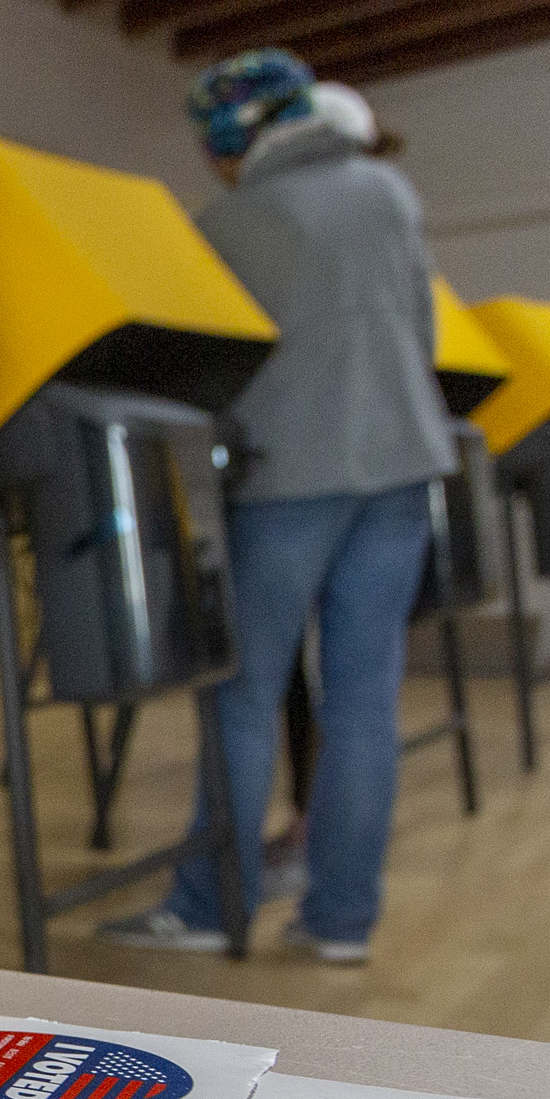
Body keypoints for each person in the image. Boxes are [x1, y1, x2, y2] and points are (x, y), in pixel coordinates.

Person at [100, 49, 447, 966]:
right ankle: (341, 922)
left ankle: (213, 905)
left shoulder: (237, 219)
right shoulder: (388, 193)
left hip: (289, 478)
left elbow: (210, 370)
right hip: (405, 468)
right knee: (365, 702)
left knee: (244, 698)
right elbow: (424, 331)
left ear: (232, 137)